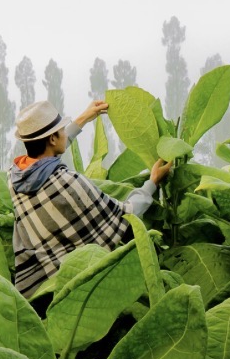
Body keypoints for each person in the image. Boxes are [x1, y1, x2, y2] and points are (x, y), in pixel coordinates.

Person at [9, 99, 172, 299]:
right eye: (60, 129)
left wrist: (83, 118)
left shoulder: (15, 176)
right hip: (69, 286)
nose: (63, 132)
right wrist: (152, 182)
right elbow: (125, 214)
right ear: (52, 139)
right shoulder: (67, 182)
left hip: (35, 287)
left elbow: (46, 158)